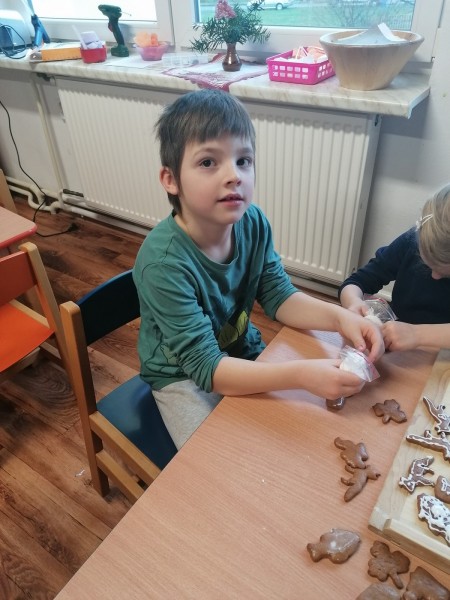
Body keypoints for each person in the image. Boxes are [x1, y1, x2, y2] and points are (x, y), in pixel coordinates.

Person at [133, 89, 384, 449]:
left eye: (243, 160)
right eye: (208, 162)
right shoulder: (163, 263)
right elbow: (207, 368)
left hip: (236, 346)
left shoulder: (252, 222)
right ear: (170, 179)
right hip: (182, 375)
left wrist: (340, 318)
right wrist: (300, 374)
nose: (233, 175)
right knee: (222, 460)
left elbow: (279, 296)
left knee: (292, 435)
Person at [339, 184, 450, 352]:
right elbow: (357, 281)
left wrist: (417, 334)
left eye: (446, 273)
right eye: (428, 264)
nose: (435, 276)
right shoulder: (411, 241)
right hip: (398, 349)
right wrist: (353, 304)